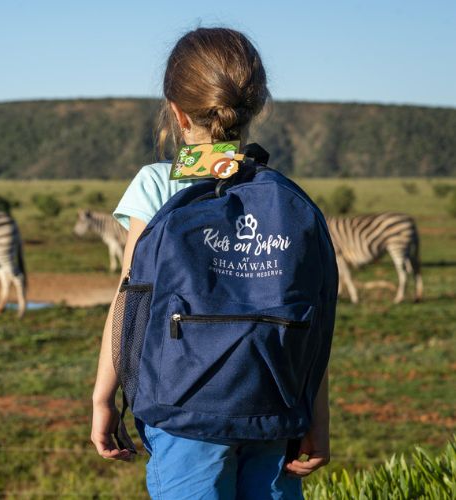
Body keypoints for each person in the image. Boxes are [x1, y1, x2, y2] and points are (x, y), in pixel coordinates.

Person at [90, 27, 330, 499]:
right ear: (256, 105)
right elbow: (312, 319)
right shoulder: (280, 197)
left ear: (176, 111)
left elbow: (128, 299)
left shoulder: (156, 185)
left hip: (183, 412)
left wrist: (104, 397)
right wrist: (316, 417)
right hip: (274, 408)